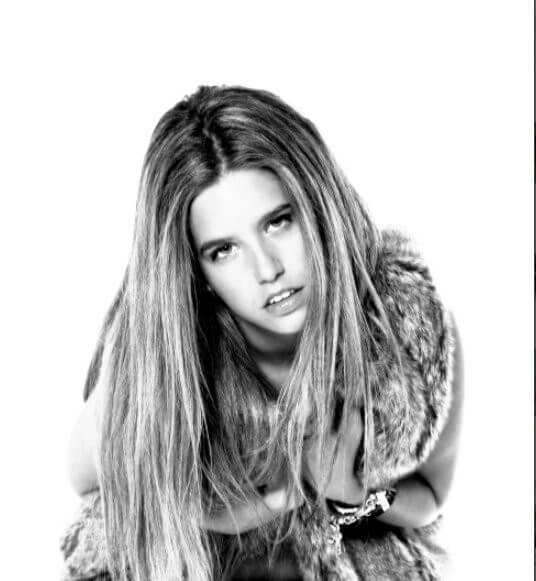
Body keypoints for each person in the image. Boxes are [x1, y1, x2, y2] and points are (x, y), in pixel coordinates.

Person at [65, 85, 463, 581]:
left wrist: (349, 489)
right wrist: (246, 506)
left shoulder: (404, 327)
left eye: (278, 222)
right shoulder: (163, 363)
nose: (267, 269)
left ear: (317, 206)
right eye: (224, 251)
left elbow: (430, 496)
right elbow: (92, 484)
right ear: (197, 273)